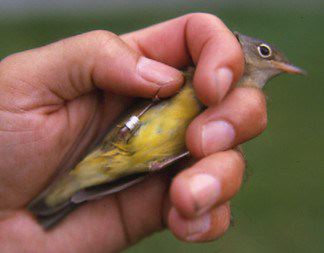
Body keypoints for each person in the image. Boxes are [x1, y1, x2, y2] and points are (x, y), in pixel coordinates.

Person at [0, 13, 267, 252]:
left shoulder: (221, 100)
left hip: (139, 162)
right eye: (267, 54)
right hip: (112, 146)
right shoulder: (194, 75)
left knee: (207, 147)